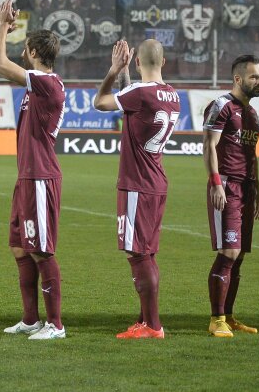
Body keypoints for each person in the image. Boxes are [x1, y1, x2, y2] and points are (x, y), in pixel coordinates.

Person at [0, 0, 67, 340]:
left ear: (34, 51)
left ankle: (56, 325)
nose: (22, 50)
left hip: (40, 176)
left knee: (41, 249)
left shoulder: (48, 84)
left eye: (25, 46)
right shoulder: (36, 85)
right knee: (21, 247)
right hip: (27, 176)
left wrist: (0, 28)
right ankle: (31, 319)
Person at [95, 39, 180, 339]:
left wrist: (115, 69)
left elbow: (100, 102)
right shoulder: (173, 95)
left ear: (137, 62)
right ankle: (146, 321)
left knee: (137, 254)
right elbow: (133, 103)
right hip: (157, 181)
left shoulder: (138, 93)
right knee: (147, 253)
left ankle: (153, 326)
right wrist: (126, 76)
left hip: (136, 183)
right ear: (164, 62)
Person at [202, 54, 259, 338]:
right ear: (238, 79)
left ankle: (228, 316)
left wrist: (258, 190)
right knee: (229, 253)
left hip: (247, 188)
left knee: (239, 257)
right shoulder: (221, 106)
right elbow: (209, 145)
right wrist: (215, 182)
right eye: (254, 76)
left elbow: (252, 155)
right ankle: (216, 320)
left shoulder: (251, 114)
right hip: (226, 186)